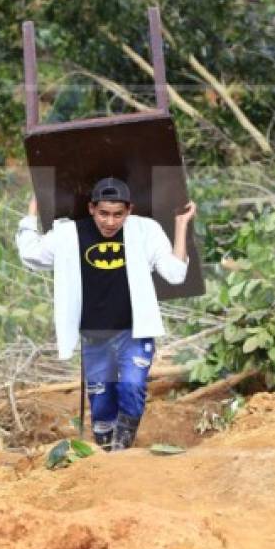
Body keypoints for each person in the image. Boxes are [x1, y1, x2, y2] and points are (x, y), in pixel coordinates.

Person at [16, 177, 197, 450]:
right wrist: (32, 210)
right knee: (101, 405)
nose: (110, 222)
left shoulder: (145, 231)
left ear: (129, 211)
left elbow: (176, 273)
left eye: (117, 215)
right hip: (94, 335)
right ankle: (104, 456)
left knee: (132, 387)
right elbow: (30, 254)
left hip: (133, 331)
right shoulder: (69, 235)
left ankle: (121, 454)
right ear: (91, 209)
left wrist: (181, 226)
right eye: (103, 214)